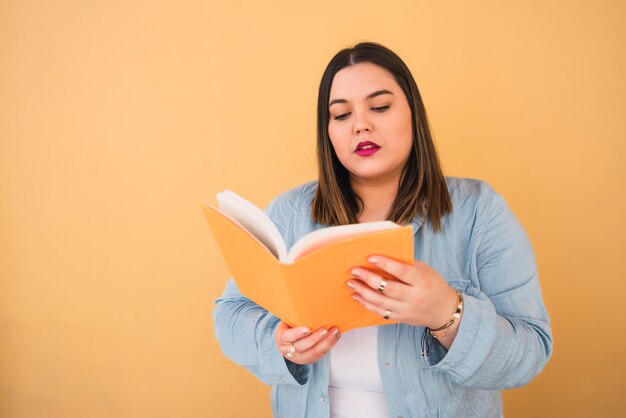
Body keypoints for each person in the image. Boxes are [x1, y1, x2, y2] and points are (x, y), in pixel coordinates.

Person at [213, 42, 552, 418]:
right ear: (328, 131)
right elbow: (230, 314)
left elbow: (530, 354)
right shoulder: (291, 212)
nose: (361, 124)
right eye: (341, 115)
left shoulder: (478, 212)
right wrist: (278, 343)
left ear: (413, 114)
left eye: (379, 107)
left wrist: (448, 314)